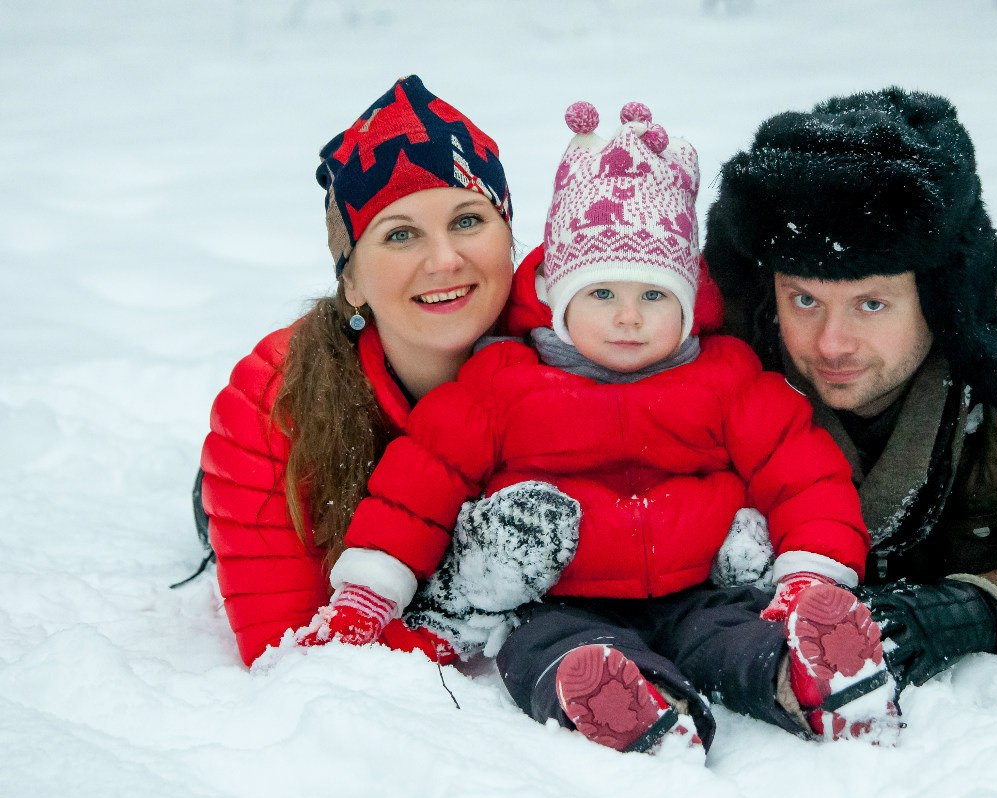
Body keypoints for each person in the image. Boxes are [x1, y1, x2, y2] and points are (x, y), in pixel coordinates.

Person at [322, 102, 899, 754]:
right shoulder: (504, 382)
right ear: (561, 299)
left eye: (653, 296)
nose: (628, 318)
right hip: (566, 596)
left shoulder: (727, 377)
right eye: (601, 295)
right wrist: (370, 589)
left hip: (698, 588)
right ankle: (628, 706)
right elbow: (419, 483)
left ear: (686, 305)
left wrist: (810, 575)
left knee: (737, 638)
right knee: (541, 646)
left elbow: (805, 472)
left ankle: (815, 677)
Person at [702, 87, 997, 689]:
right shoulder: (722, 337)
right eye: (806, 299)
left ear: (941, 295)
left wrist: (971, 614)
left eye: (872, 303)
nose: (830, 343)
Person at [198, 76, 580, 667]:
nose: (445, 259)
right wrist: (457, 608)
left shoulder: (585, 339)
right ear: (350, 281)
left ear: (509, 237)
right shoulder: (273, 400)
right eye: (400, 234)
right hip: (259, 477)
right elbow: (292, 654)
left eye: (468, 221)